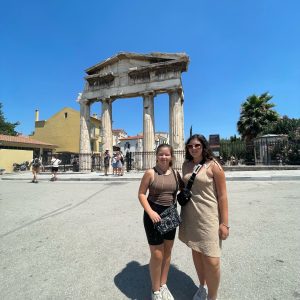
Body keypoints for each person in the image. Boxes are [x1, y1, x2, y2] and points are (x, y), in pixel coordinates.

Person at [179, 134, 229, 300]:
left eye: (197, 146)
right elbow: (183, 187)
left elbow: (222, 196)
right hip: (190, 216)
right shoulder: (186, 165)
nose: (193, 148)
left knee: (212, 260)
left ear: (203, 147)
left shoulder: (213, 165)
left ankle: (212, 297)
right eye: (190, 146)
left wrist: (225, 223)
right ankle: (202, 286)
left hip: (209, 218)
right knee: (197, 252)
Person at [138, 144, 182, 300]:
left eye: (167, 155)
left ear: (171, 156)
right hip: (153, 215)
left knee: (168, 252)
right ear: (156, 156)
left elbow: (183, 192)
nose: (164, 157)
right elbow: (141, 194)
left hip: (170, 214)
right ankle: (155, 290)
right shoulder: (150, 173)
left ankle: (163, 285)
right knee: (157, 254)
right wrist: (150, 212)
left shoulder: (176, 174)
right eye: (161, 154)